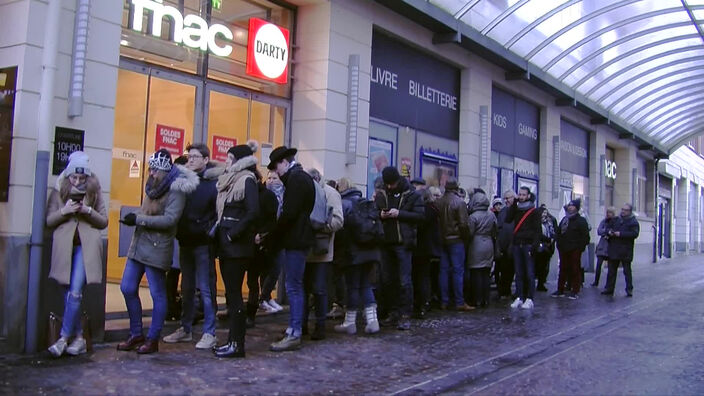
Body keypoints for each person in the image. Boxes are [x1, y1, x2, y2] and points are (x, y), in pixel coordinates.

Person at [118, 149, 199, 354]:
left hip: (157, 247)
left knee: (157, 294)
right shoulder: (152, 186)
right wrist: (134, 216)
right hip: (139, 244)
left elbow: (170, 220)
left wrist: (139, 219)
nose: (151, 173)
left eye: (155, 170)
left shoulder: (176, 189)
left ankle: (153, 338)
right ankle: (136, 333)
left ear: (164, 170)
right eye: (150, 169)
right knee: (127, 287)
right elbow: (147, 211)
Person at [46, 152, 108, 357]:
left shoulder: (94, 190)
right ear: (68, 175)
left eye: (82, 178)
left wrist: (87, 211)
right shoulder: (58, 190)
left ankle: (63, 339)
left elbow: (103, 221)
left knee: (75, 291)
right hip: (64, 248)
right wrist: (65, 210)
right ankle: (79, 337)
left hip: (85, 248)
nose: (78, 182)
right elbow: (49, 220)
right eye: (74, 177)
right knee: (67, 292)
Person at [163, 144, 219, 350]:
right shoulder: (182, 181)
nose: (191, 160)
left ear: (206, 159)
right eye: (189, 156)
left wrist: (207, 230)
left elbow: (216, 213)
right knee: (186, 288)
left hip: (203, 243)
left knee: (205, 288)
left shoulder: (212, 183)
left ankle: (209, 332)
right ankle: (185, 329)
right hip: (185, 240)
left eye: (196, 156)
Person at [210, 141, 260, 358]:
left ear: (239, 161)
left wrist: (232, 234)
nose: (226, 162)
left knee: (235, 296)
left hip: (237, 247)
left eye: (230, 159)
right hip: (228, 245)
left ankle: (237, 344)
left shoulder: (246, 180)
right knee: (232, 296)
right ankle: (232, 341)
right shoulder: (229, 180)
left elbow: (252, 212)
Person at [268, 146, 315, 352]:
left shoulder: (296, 180)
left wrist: (272, 235)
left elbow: (289, 214)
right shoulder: (302, 178)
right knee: (296, 286)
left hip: (296, 240)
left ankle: (295, 331)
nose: (276, 172)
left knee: (294, 286)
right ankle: (294, 329)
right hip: (299, 238)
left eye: (277, 166)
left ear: (285, 162)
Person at [377, 167, 424, 330]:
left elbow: (420, 216)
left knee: (404, 281)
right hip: (386, 242)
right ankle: (393, 312)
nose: (390, 187)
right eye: (387, 184)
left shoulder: (412, 194)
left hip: (403, 242)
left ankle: (405, 315)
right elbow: (374, 212)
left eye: (392, 183)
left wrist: (400, 214)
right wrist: (380, 215)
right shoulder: (382, 193)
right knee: (388, 280)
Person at [334, 178, 381, 335]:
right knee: (365, 284)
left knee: (353, 286)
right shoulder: (366, 202)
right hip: (370, 251)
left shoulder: (344, 204)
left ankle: (350, 323)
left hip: (352, 253)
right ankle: (373, 321)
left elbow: (340, 230)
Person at [303, 168, 344, 340]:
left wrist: (320, 226)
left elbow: (338, 221)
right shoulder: (304, 192)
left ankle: (320, 326)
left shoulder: (330, 193)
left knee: (319, 289)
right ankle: (301, 325)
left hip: (321, 251)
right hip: (303, 249)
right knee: (302, 290)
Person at [245, 169, 281, 326]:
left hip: (262, 244)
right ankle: (250, 311)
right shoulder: (253, 194)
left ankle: (253, 309)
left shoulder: (267, 196)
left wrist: (261, 235)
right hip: (250, 242)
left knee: (257, 279)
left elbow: (272, 221)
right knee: (252, 280)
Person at [435, 179, 473, 311]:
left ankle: (444, 301)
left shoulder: (438, 202)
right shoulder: (459, 202)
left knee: (443, 271)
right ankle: (459, 301)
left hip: (442, 240)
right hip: (456, 240)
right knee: (457, 271)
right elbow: (463, 224)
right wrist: (466, 238)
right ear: (456, 188)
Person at [504, 186, 541, 309]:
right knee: (519, 272)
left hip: (528, 244)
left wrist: (534, 246)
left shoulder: (534, 211)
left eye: (523, 195)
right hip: (517, 243)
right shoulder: (517, 209)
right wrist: (514, 204)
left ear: (528, 196)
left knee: (529, 273)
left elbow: (537, 230)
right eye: (519, 194)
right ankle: (519, 296)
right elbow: (508, 219)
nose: (521, 197)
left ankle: (530, 298)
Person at [257, 171, 286, 313]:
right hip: (265, 237)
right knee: (266, 269)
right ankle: (264, 298)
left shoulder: (284, 195)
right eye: (269, 178)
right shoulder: (263, 195)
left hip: (279, 237)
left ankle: (266, 297)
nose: (271, 181)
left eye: (275, 178)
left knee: (275, 268)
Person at [412, 186, 442, 318]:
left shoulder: (424, 211)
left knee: (419, 276)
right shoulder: (433, 209)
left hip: (420, 247)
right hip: (429, 247)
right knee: (424, 276)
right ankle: (425, 302)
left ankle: (421, 303)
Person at [552, 199, 590, 299]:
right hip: (563, 248)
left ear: (576, 208)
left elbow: (585, 236)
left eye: (572, 206)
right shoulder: (564, 220)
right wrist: (559, 244)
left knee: (575, 269)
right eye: (569, 206)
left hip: (575, 249)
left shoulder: (581, 221)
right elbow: (559, 233)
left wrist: (579, 248)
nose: (570, 207)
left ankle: (575, 290)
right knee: (563, 269)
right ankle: (560, 289)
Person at [466, 190, 497, 308]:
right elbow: (495, 230)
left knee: (476, 272)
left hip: (476, 244)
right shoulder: (491, 215)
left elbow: (470, 232)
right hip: (488, 243)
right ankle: (486, 299)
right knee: (485, 273)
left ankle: (477, 299)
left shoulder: (473, 217)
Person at [602, 203, 640, 297]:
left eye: (625, 210)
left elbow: (634, 234)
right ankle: (609, 288)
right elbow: (607, 228)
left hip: (625, 250)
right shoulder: (616, 220)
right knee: (611, 271)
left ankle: (629, 289)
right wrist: (609, 232)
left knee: (627, 271)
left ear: (630, 211)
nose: (623, 211)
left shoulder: (633, 222)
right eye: (622, 209)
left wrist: (621, 234)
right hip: (614, 249)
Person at [495, 190, 516, 300]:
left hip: (513, 245)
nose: (506, 200)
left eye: (508, 198)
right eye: (505, 198)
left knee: (510, 270)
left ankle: (506, 290)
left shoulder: (517, 211)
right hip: (502, 245)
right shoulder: (503, 211)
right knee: (502, 269)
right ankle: (503, 291)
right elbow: (499, 228)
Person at [535, 205, 557, 292]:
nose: (544, 214)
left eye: (545, 212)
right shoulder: (537, 223)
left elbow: (553, 231)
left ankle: (541, 283)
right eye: (543, 212)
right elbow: (538, 234)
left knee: (544, 267)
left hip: (548, 248)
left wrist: (552, 238)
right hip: (540, 247)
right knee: (538, 266)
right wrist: (548, 239)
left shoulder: (549, 222)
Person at [592, 207, 616, 287]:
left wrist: (609, 233)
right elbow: (599, 231)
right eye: (607, 212)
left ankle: (608, 284)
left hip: (611, 246)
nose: (608, 214)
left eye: (610, 212)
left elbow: (614, 232)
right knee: (598, 265)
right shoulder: (603, 221)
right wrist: (606, 232)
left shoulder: (616, 222)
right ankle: (596, 282)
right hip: (602, 246)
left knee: (610, 267)